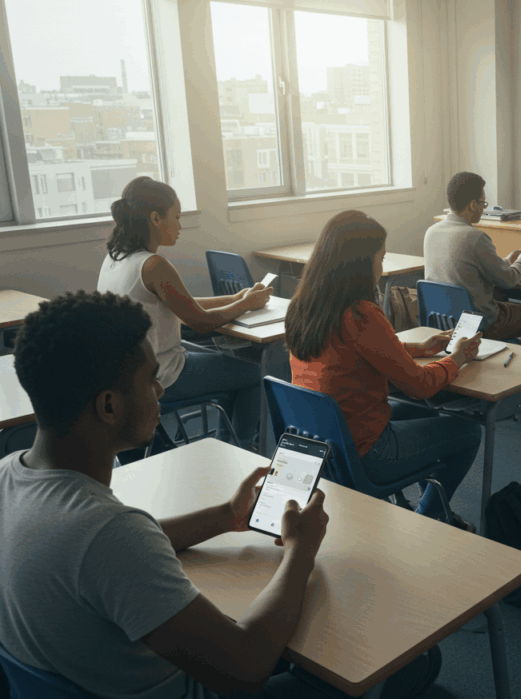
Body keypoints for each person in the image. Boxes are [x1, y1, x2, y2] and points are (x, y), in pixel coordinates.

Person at [0, 290, 439, 698]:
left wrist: (226, 516)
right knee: (403, 664)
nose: (160, 392)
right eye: (151, 381)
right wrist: (301, 551)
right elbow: (246, 667)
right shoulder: (110, 535)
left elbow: (106, 554)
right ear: (109, 406)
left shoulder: (9, 477)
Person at [287, 210, 483, 532]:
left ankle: (421, 503)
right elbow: (420, 385)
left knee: (427, 417)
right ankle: (428, 518)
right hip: (365, 452)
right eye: (380, 258)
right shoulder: (361, 314)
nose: (381, 267)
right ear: (361, 263)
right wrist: (457, 358)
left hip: (322, 441)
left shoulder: (304, 306)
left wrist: (420, 349)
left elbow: (356, 354)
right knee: (468, 431)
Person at [97, 176, 270, 447]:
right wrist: (246, 304)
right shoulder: (154, 265)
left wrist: (236, 297)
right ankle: (242, 445)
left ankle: (226, 441)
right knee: (256, 374)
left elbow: (183, 303)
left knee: (228, 367)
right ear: (155, 218)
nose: (179, 226)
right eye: (176, 217)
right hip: (163, 374)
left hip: (129, 373)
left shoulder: (116, 258)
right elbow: (200, 321)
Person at [425, 171, 521, 344]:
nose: (483, 208)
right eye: (483, 203)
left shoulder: (431, 231)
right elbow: (508, 280)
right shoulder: (474, 237)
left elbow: (472, 268)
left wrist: (508, 261)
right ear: (473, 204)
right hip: (478, 322)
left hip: (443, 318)